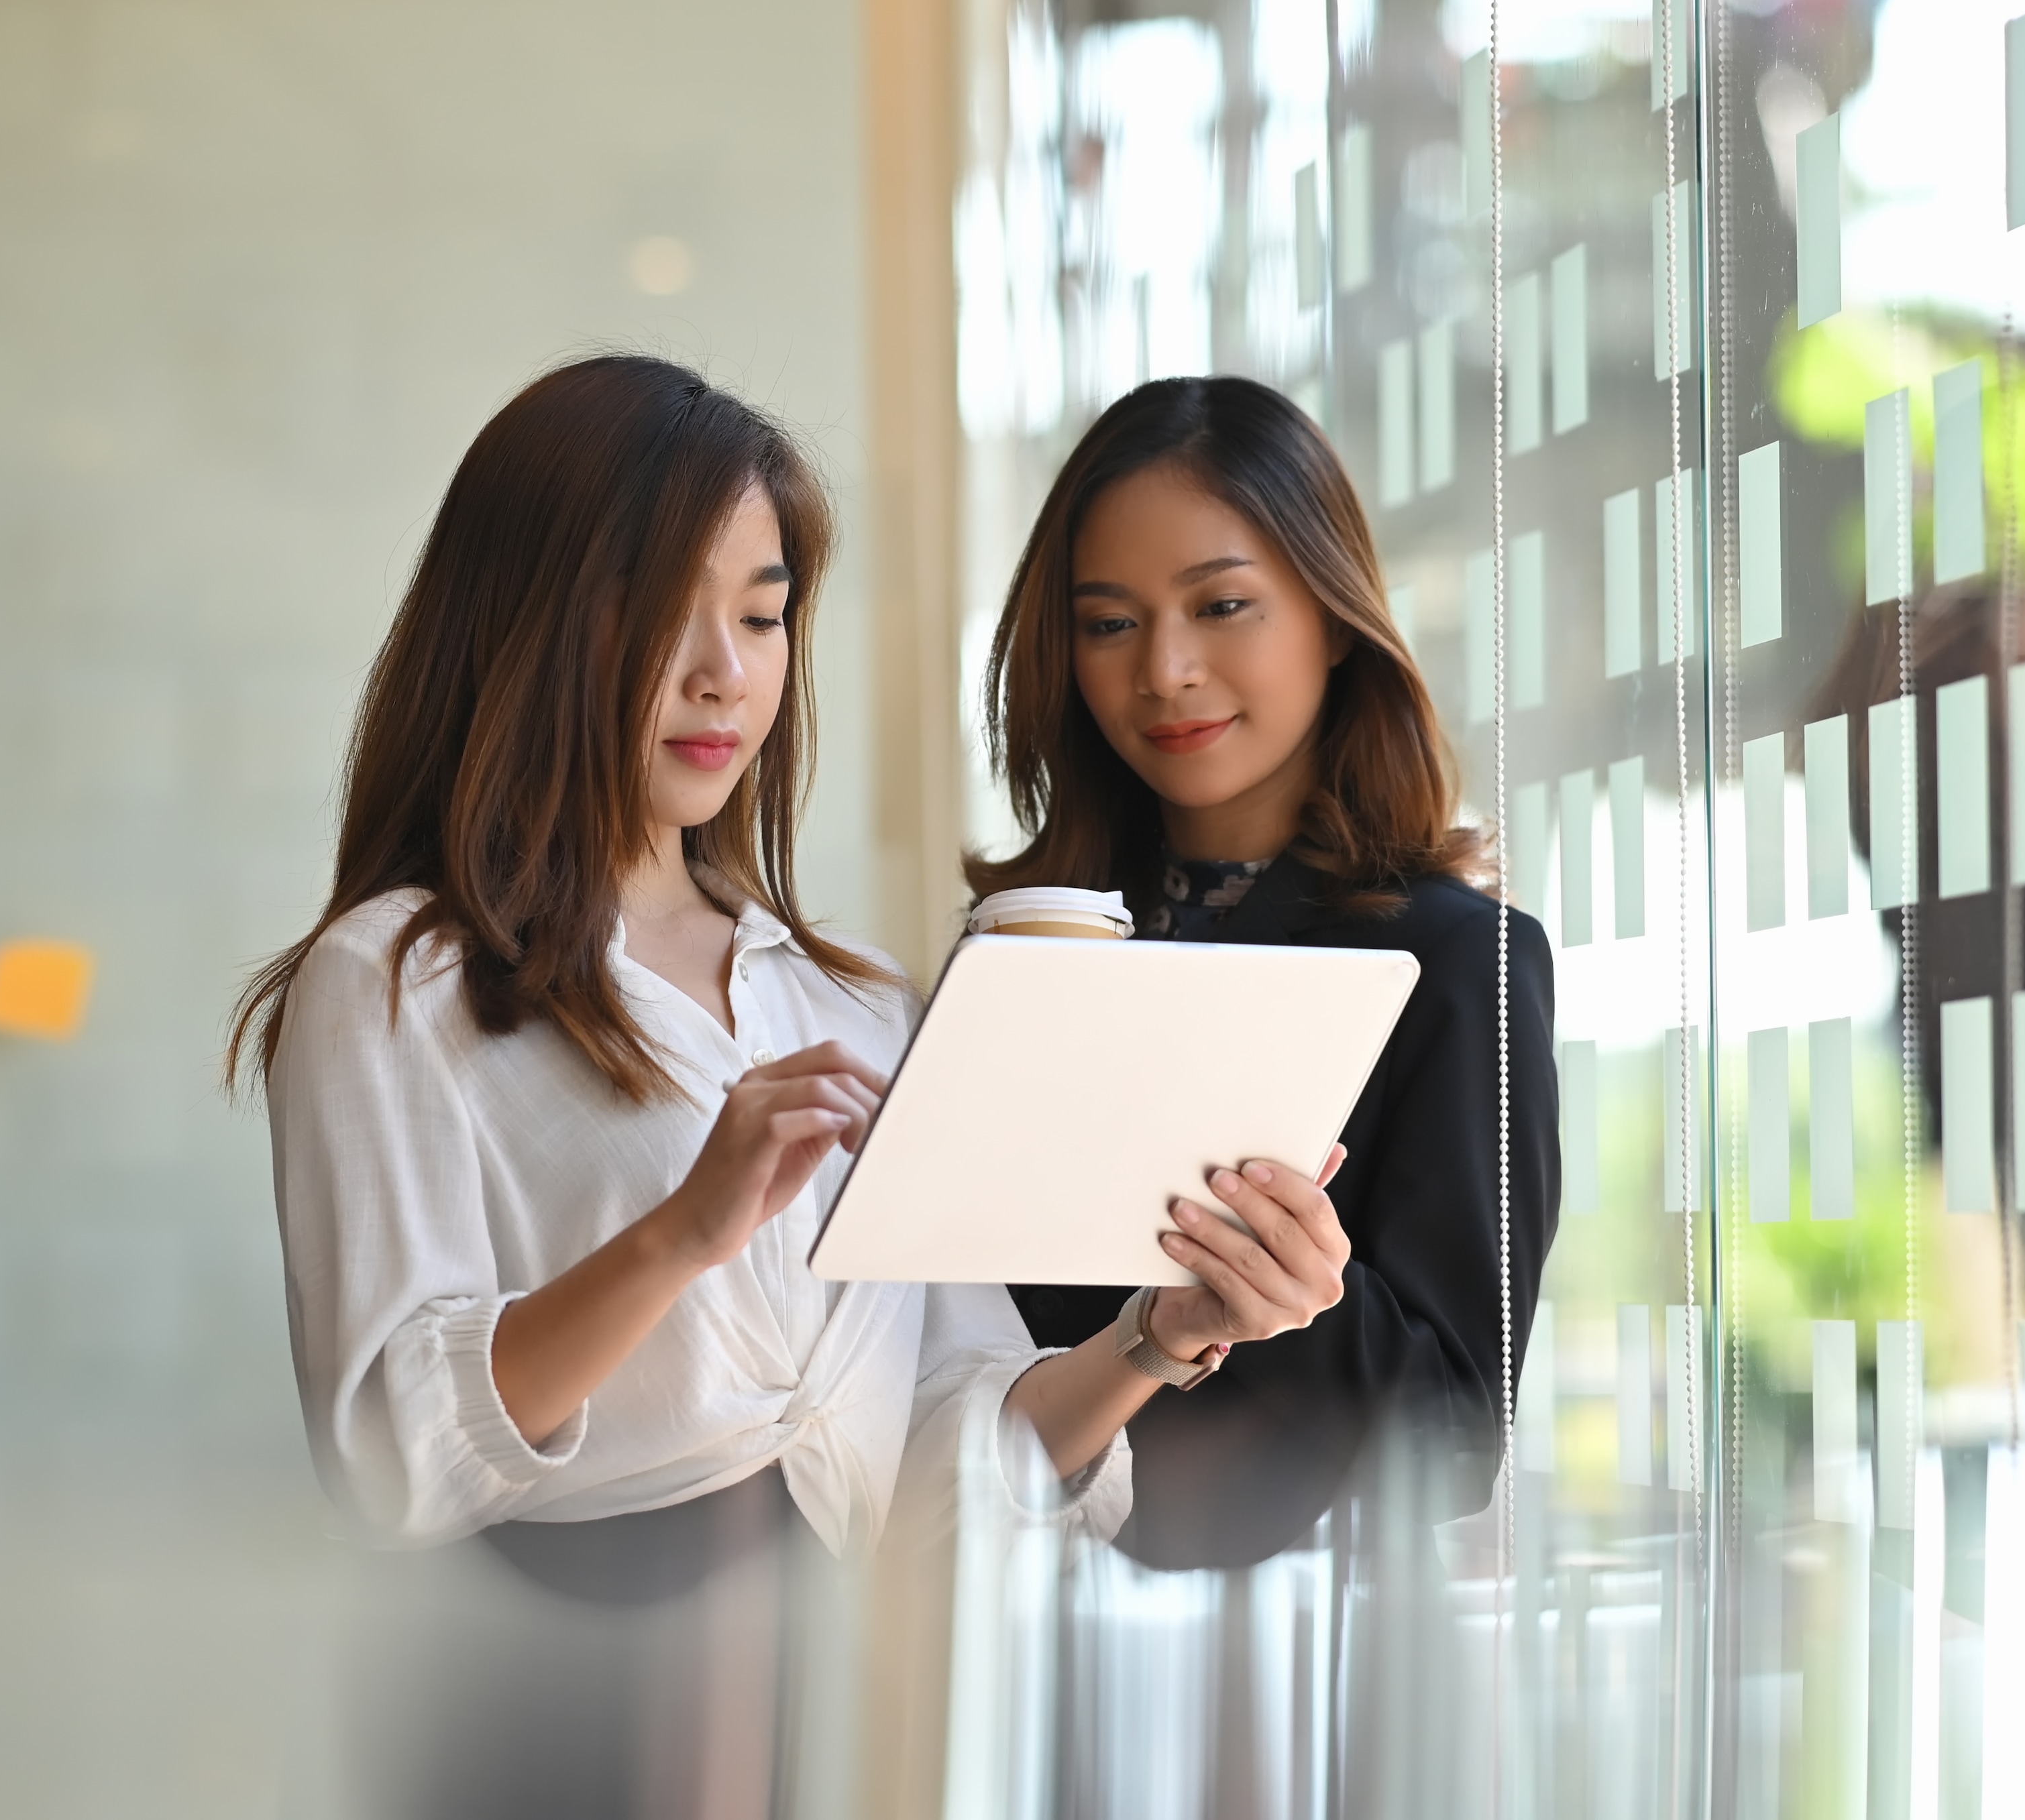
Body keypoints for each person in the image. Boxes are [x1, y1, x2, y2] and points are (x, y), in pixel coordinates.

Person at [229, 357, 1353, 1808]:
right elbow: (391, 1452)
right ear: (527, 621)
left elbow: (954, 1456)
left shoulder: (854, 1001)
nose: (724, 671)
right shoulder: (396, 981)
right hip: (541, 1718)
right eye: (660, 614)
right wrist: (679, 1233)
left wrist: (1155, 1335)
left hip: (818, 1721)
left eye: (762, 615)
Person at [975, 374, 1557, 1570]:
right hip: (1003, 1612)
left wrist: (1303, 1291)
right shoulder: (1025, 961)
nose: (1167, 672)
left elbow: (1454, 1438)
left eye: (1223, 604)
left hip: (1292, 1648)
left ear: (1334, 615)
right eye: (1109, 623)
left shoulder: (1457, 962)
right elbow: (948, 1363)